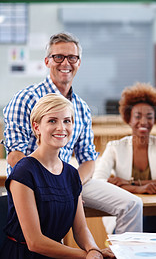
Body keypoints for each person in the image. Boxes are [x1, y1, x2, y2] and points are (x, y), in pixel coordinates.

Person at [2, 32, 143, 233]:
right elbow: (16, 157)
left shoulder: (82, 108)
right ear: (47, 61)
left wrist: (71, 186)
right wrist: (52, 186)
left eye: (72, 57)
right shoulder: (25, 99)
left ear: (78, 63)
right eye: (58, 57)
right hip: (34, 183)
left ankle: (118, 254)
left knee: (132, 205)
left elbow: (88, 160)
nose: (65, 63)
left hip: (69, 180)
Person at [0, 94, 114, 258]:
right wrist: (85, 255)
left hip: (58, 254)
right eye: (52, 121)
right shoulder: (24, 171)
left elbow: (81, 229)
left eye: (67, 121)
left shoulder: (72, 174)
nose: (61, 127)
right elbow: (35, 242)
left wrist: (94, 250)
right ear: (37, 127)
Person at [93, 83, 156, 232]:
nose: (143, 122)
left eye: (149, 117)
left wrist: (129, 184)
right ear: (129, 119)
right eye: (138, 116)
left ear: (155, 119)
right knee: (137, 222)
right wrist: (141, 189)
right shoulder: (115, 147)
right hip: (124, 214)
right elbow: (98, 181)